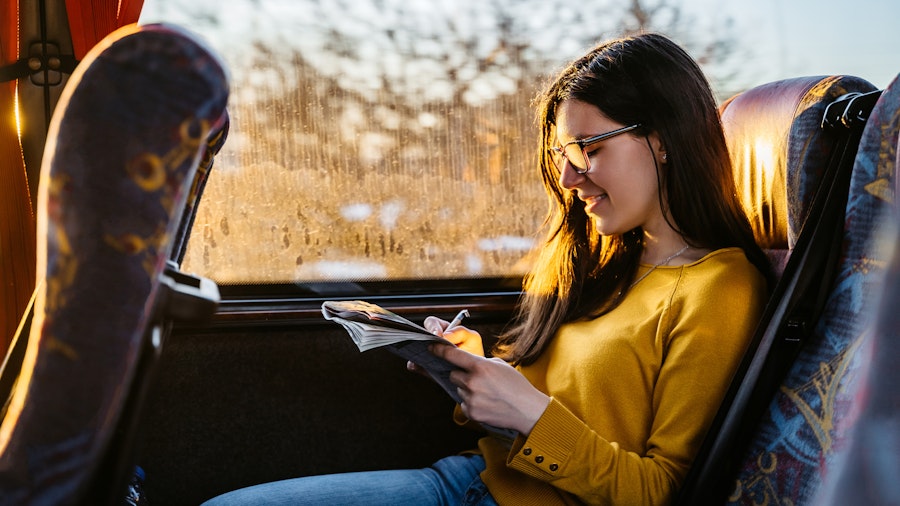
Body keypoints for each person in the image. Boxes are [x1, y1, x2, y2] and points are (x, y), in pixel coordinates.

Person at [202, 32, 771, 506]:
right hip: (474, 480)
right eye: (562, 156)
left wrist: (531, 414)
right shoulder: (610, 262)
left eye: (587, 149)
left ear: (663, 139)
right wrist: (475, 371)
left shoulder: (720, 288)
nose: (570, 180)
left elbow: (663, 493)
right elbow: (575, 405)